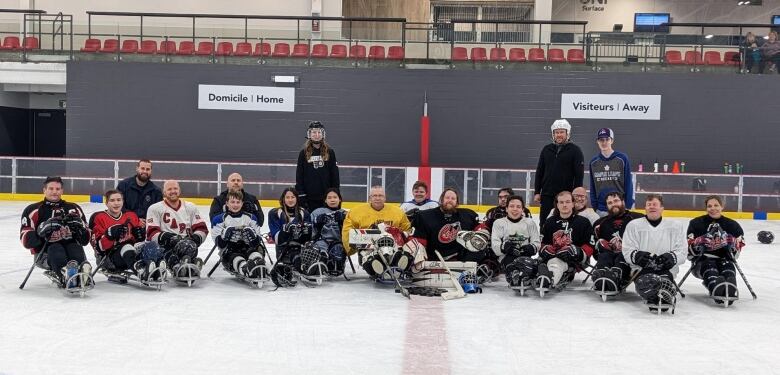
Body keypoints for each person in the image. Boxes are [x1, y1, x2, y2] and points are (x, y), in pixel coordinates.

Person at [19, 176, 92, 290]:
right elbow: (25, 241)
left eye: (57, 189)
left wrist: (80, 229)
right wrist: (41, 230)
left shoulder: (74, 208)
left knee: (75, 247)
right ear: (44, 190)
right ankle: (65, 274)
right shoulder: (33, 210)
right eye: (51, 188)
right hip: (45, 253)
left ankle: (81, 272)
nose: (54, 192)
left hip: (71, 249)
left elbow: (85, 240)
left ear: (62, 191)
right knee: (56, 248)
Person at [406, 188, 493, 278]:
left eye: (453, 198)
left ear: (457, 202)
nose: (450, 200)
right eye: (447, 198)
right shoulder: (425, 216)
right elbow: (418, 241)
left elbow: (481, 228)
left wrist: (481, 233)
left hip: (459, 257)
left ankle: (474, 270)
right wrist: (419, 257)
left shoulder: (467, 215)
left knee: (478, 245)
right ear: (441, 199)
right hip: (434, 257)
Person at [622, 194, 687, 313]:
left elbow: (682, 251)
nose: (652, 207)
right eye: (649, 205)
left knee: (664, 284)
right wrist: (637, 256)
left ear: (662, 208)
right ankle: (654, 296)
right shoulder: (634, 225)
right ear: (645, 208)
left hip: (666, 269)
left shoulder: (675, 226)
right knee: (647, 282)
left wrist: (671, 257)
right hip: (642, 269)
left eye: (655, 204)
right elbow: (627, 251)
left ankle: (664, 294)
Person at [89, 189, 166, 284]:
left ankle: (156, 269)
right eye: (112, 200)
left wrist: (139, 234)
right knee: (126, 246)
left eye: (119, 200)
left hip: (130, 253)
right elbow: (98, 248)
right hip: (109, 258)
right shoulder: (99, 218)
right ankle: (141, 271)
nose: (116, 203)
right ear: (106, 203)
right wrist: (109, 236)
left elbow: (138, 240)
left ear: (123, 201)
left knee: (151, 245)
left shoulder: (131, 216)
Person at [146, 180, 209, 284]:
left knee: (189, 246)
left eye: (175, 188)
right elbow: (151, 233)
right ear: (164, 192)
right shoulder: (154, 208)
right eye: (169, 189)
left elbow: (202, 228)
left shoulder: (190, 207)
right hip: (166, 246)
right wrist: (167, 237)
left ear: (179, 190)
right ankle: (186, 266)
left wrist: (195, 238)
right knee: (171, 257)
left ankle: (185, 265)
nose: (173, 191)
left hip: (188, 244)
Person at [342, 186, 412, 278]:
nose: (377, 198)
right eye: (374, 195)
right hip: (369, 248)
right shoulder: (356, 212)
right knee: (368, 256)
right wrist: (350, 248)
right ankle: (376, 267)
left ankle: (397, 265)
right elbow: (347, 231)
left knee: (400, 253)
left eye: (380, 195)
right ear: (369, 198)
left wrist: (402, 240)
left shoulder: (397, 212)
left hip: (392, 246)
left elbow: (407, 229)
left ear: (385, 198)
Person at [686, 195, 745, 305]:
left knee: (728, 268)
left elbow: (736, 254)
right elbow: (689, 253)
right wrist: (698, 243)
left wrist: (733, 244)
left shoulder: (733, 225)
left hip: (724, 259)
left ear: (722, 206)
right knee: (710, 267)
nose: (713, 208)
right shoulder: (695, 223)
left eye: (716, 205)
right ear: (706, 208)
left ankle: (729, 289)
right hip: (701, 262)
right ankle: (716, 289)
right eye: (709, 206)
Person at [536, 191, 594, 294]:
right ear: (557, 205)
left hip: (577, 260)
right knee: (537, 263)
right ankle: (545, 274)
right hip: (554, 256)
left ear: (573, 204)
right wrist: (545, 249)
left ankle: (549, 280)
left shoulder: (583, 222)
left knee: (556, 263)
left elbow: (590, 245)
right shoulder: (550, 222)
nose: (564, 205)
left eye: (567, 202)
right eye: (561, 202)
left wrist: (578, 252)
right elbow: (542, 243)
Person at [591, 192, 644, 296]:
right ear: (606, 206)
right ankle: (601, 278)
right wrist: (600, 247)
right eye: (610, 203)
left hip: (629, 258)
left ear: (623, 202)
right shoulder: (599, 223)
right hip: (608, 257)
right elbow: (595, 250)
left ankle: (616, 277)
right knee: (604, 256)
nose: (613, 204)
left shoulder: (638, 219)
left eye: (616, 201)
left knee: (622, 256)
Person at [534, 119, 584, 223]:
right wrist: (537, 192)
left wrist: (575, 195)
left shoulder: (575, 150)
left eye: (562, 132)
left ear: (567, 133)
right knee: (544, 221)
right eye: (556, 132)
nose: (559, 135)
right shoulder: (546, 149)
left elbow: (579, 175)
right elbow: (540, 171)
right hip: (547, 194)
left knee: (565, 221)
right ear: (553, 134)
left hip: (565, 195)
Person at [211, 190, 266, 280]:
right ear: (227, 203)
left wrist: (253, 238)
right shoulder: (218, 219)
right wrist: (224, 237)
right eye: (232, 202)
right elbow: (220, 244)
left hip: (248, 248)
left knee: (254, 253)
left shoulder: (251, 218)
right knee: (235, 257)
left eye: (238, 202)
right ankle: (245, 268)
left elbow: (256, 243)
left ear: (242, 203)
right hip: (229, 251)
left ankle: (259, 265)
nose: (235, 205)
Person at [491, 195, 540, 288]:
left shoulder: (529, 223)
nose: (515, 209)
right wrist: (504, 247)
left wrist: (530, 248)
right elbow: (495, 246)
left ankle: (527, 276)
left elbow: (536, 242)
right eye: (512, 206)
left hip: (525, 257)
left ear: (522, 209)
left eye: (518, 207)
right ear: (506, 209)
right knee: (511, 263)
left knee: (531, 268)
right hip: (506, 258)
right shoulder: (499, 223)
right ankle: (514, 276)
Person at [268, 188, 313, 286]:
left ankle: (304, 265)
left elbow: (308, 239)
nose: (290, 199)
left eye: (293, 197)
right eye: (287, 197)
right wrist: (286, 230)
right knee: (295, 259)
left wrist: (307, 233)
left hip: (300, 248)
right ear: (283, 199)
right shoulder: (274, 213)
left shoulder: (304, 213)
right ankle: (300, 265)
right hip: (283, 250)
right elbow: (276, 239)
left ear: (297, 198)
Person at [296, 121, 340, 212]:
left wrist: (335, 193)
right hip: (308, 198)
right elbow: (299, 176)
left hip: (326, 198)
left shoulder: (330, 152)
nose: (317, 135)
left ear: (323, 133)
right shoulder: (303, 153)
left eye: (319, 132)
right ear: (309, 134)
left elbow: (335, 175)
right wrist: (301, 194)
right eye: (314, 132)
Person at [588, 128, 633, 216]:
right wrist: (595, 206)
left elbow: (628, 182)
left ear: (612, 140)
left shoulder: (622, 158)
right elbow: (592, 186)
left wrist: (628, 205)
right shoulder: (593, 162)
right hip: (601, 209)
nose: (604, 142)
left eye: (607, 139)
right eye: (601, 140)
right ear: (597, 141)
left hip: (620, 208)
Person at [310, 188, 349, 277]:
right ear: (325, 200)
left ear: (340, 199)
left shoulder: (345, 213)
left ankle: (334, 264)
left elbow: (350, 232)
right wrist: (317, 223)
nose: (332, 200)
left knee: (337, 253)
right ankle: (320, 263)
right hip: (321, 240)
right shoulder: (317, 212)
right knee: (320, 250)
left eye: (335, 197)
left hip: (338, 242)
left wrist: (343, 222)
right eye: (329, 197)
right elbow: (310, 231)